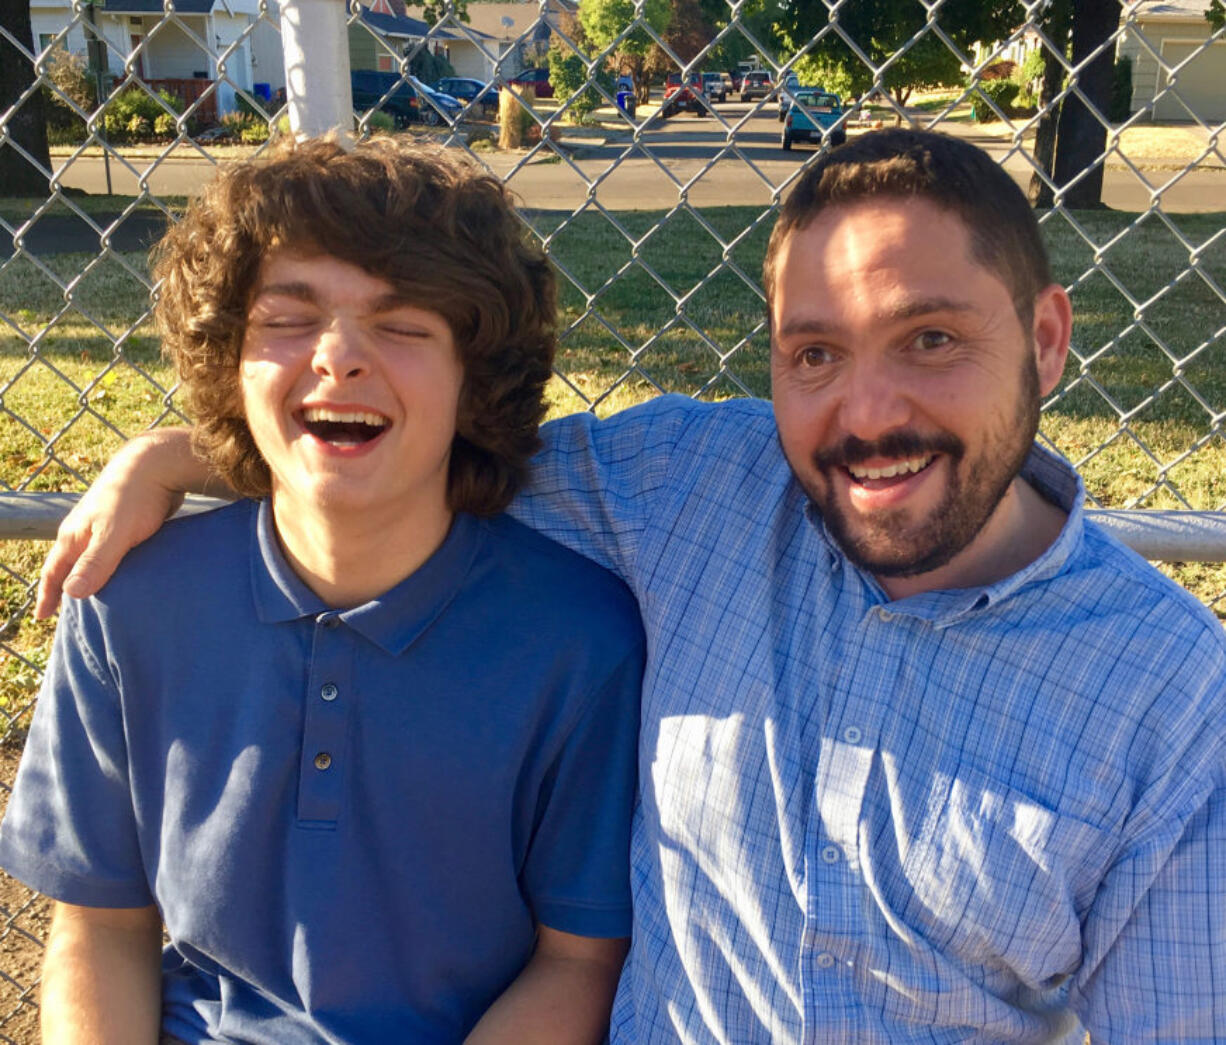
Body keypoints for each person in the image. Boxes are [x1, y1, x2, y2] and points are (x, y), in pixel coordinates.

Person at [34, 129, 1226, 1042]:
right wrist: (184, 452)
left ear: (1046, 338)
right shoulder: (693, 491)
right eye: (813, 353)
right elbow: (411, 442)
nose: (866, 415)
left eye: (929, 339)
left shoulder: (1164, 691)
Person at [0, 135, 644, 1043]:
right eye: (288, 319)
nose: (338, 357)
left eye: (404, 324)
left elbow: (577, 957)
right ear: (230, 361)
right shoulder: (126, 602)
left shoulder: (579, 638)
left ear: (474, 378)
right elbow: (101, 925)